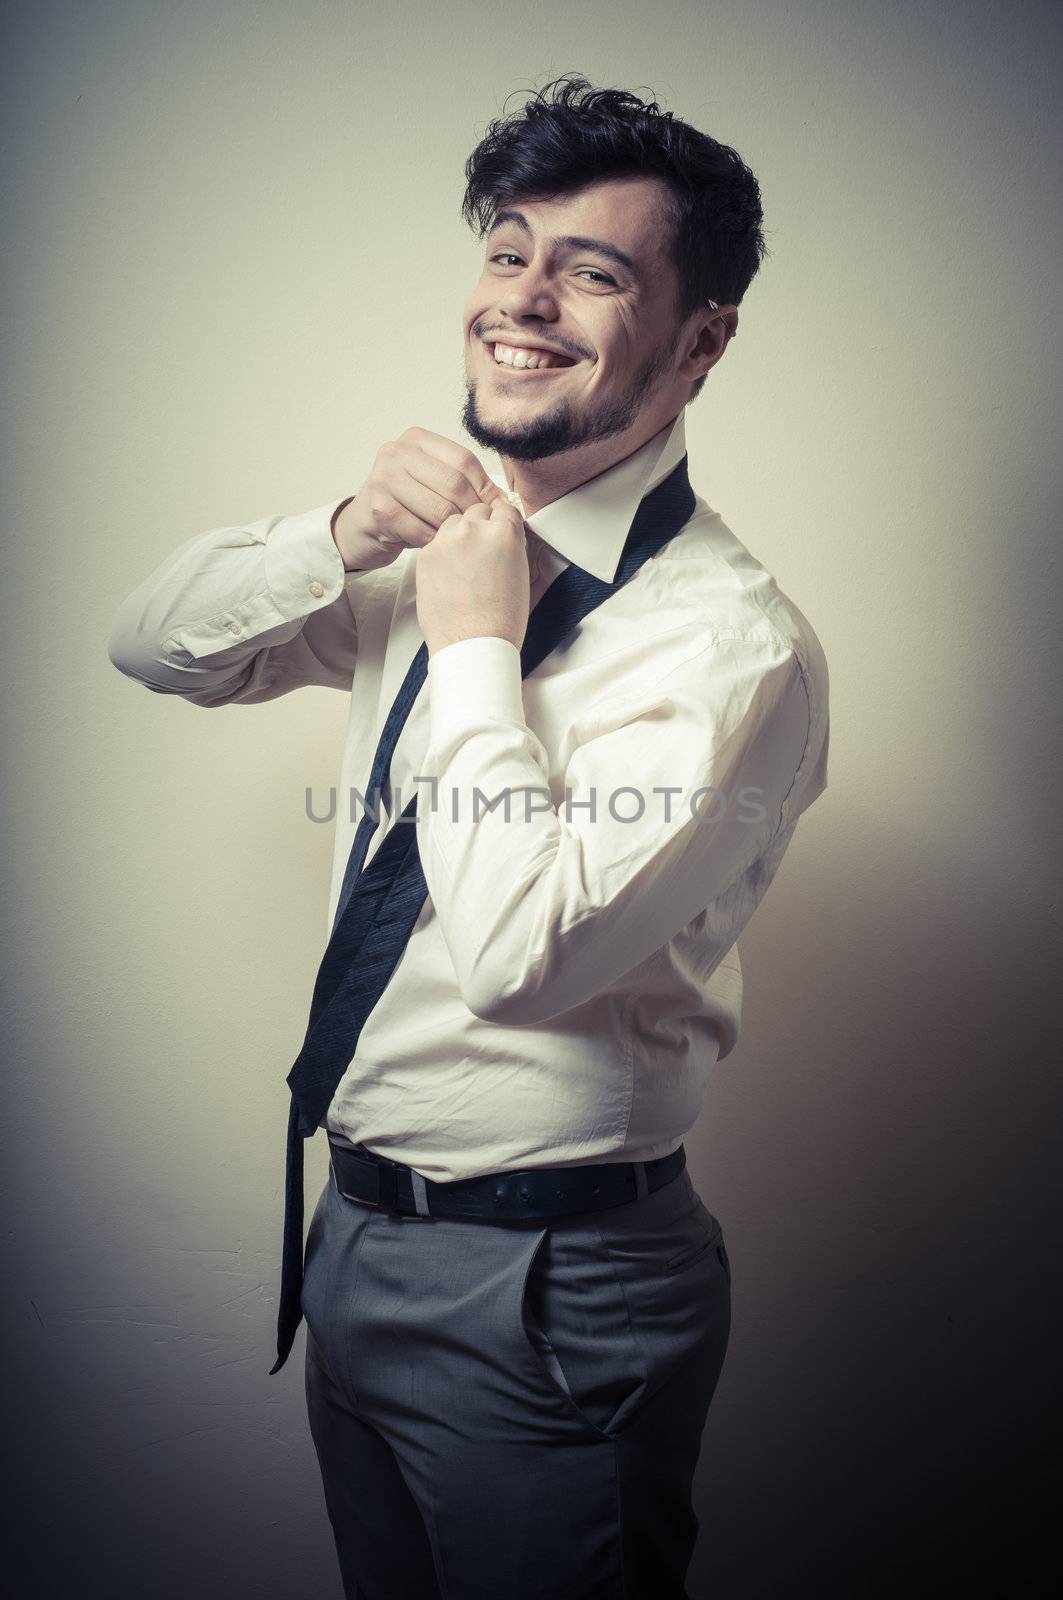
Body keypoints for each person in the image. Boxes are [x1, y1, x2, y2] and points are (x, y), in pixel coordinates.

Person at [108, 74, 829, 1600]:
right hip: (356, 1234)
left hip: (554, 1290)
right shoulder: (438, 547)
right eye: (510, 252)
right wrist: (345, 537)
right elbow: (153, 646)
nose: (528, 298)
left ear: (702, 341)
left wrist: (480, 652)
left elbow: (514, 956)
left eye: (597, 269)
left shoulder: (734, 651)